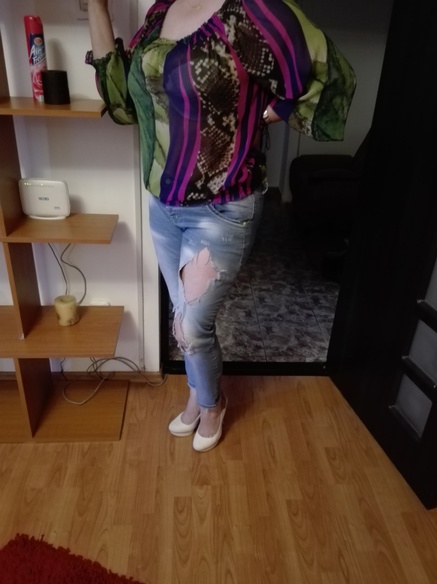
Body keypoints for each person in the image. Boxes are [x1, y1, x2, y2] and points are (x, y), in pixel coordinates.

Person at [86, 0, 356, 452]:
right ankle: (197, 394)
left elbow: (326, 74)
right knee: (182, 322)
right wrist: (97, 6)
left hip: (222, 209)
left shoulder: (253, 12)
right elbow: (122, 99)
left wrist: (267, 113)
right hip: (162, 205)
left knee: (192, 328)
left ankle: (213, 404)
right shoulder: (160, 13)